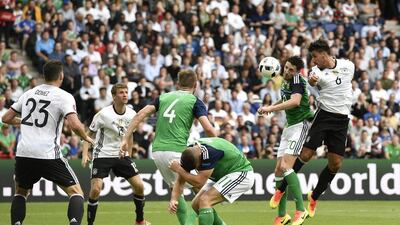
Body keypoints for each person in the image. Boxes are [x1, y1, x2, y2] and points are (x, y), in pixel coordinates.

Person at [270, 39, 355, 219]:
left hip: (342, 121)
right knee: (306, 154)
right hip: (323, 116)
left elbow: (345, 84)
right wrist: (313, 81)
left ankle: (314, 196)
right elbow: (313, 81)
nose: (313, 61)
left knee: (335, 164)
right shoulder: (315, 72)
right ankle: (281, 189)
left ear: (324, 54)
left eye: (315, 57)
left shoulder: (348, 66)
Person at [2, 60, 94, 225]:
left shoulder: (29, 93)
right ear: (61, 76)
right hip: (48, 153)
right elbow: (74, 124)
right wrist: (86, 137)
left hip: (24, 153)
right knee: (76, 193)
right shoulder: (63, 96)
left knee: (21, 192)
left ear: (44, 76)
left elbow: (6, 118)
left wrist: (25, 121)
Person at [120, 69, 217, 225]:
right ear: (196, 85)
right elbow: (209, 129)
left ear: (177, 84)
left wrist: (125, 138)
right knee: (203, 188)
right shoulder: (195, 101)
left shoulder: (163, 97)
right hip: (178, 152)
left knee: (177, 191)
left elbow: (140, 114)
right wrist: (220, 150)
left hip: (158, 152)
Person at [81, 83, 150, 225]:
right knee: (95, 189)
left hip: (121, 155)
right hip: (102, 154)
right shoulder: (103, 114)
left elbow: (129, 136)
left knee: (140, 186)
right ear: (113, 96)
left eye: (126, 92)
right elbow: (88, 134)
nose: (125, 94)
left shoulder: (132, 114)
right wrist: (85, 154)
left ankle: (140, 220)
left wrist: (129, 155)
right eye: (121, 92)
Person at [258, 56, 313, 225]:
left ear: (297, 71)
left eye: (291, 69)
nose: (287, 71)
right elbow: (285, 98)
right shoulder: (285, 80)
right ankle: (282, 216)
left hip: (300, 126)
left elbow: (295, 101)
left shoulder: (297, 80)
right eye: (286, 67)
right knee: (278, 171)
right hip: (289, 127)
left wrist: (271, 108)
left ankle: (301, 210)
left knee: (286, 167)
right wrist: (272, 108)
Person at [168, 137, 255, 225]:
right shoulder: (188, 153)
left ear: (200, 156)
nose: (198, 168)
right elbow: (180, 180)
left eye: (198, 166)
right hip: (224, 175)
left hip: (241, 173)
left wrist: (179, 169)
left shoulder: (210, 153)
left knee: (205, 200)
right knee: (196, 205)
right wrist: (174, 199)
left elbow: (199, 182)